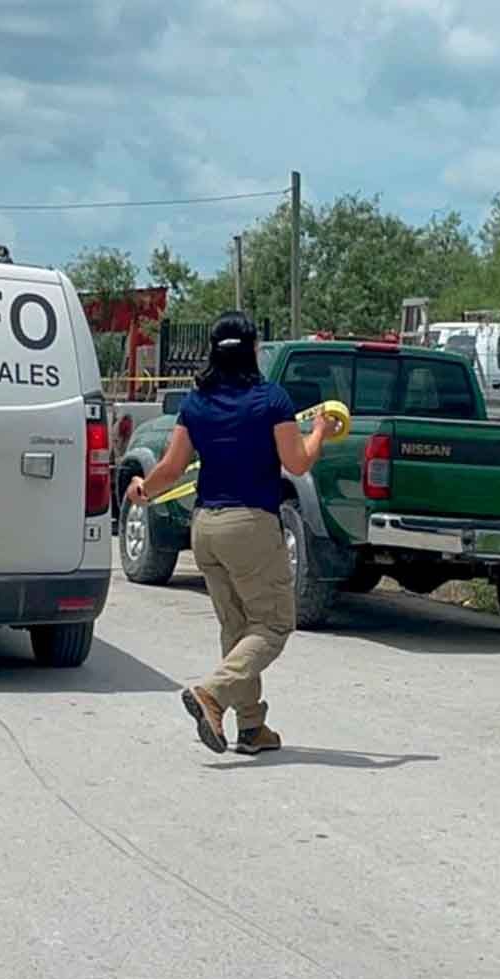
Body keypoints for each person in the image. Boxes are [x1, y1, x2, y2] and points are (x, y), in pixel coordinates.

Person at [124, 312, 341, 755]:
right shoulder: (270, 399)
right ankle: (212, 694)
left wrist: (143, 489)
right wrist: (319, 432)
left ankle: (251, 727)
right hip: (251, 526)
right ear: (252, 349)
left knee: (238, 628)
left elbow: (171, 467)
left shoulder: (197, 403)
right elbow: (297, 463)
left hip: (205, 527)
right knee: (275, 624)